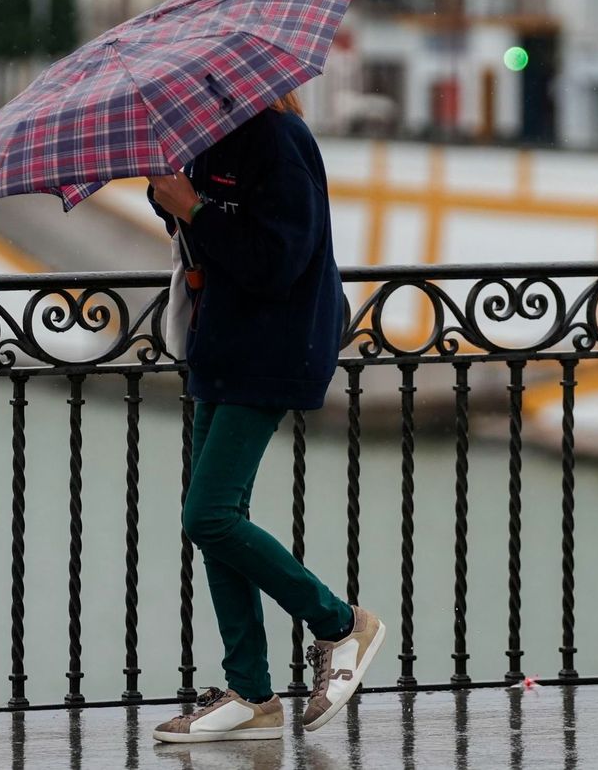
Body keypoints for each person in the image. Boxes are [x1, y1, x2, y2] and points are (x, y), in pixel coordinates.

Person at [145, 90, 386, 744]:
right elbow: (209, 236)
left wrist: (192, 206)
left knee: (209, 514)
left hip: (271, 348)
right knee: (218, 519)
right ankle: (252, 693)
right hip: (219, 344)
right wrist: (172, 195)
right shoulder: (210, 145)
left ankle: (339, 624)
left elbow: (277, 262)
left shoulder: (280, 142)